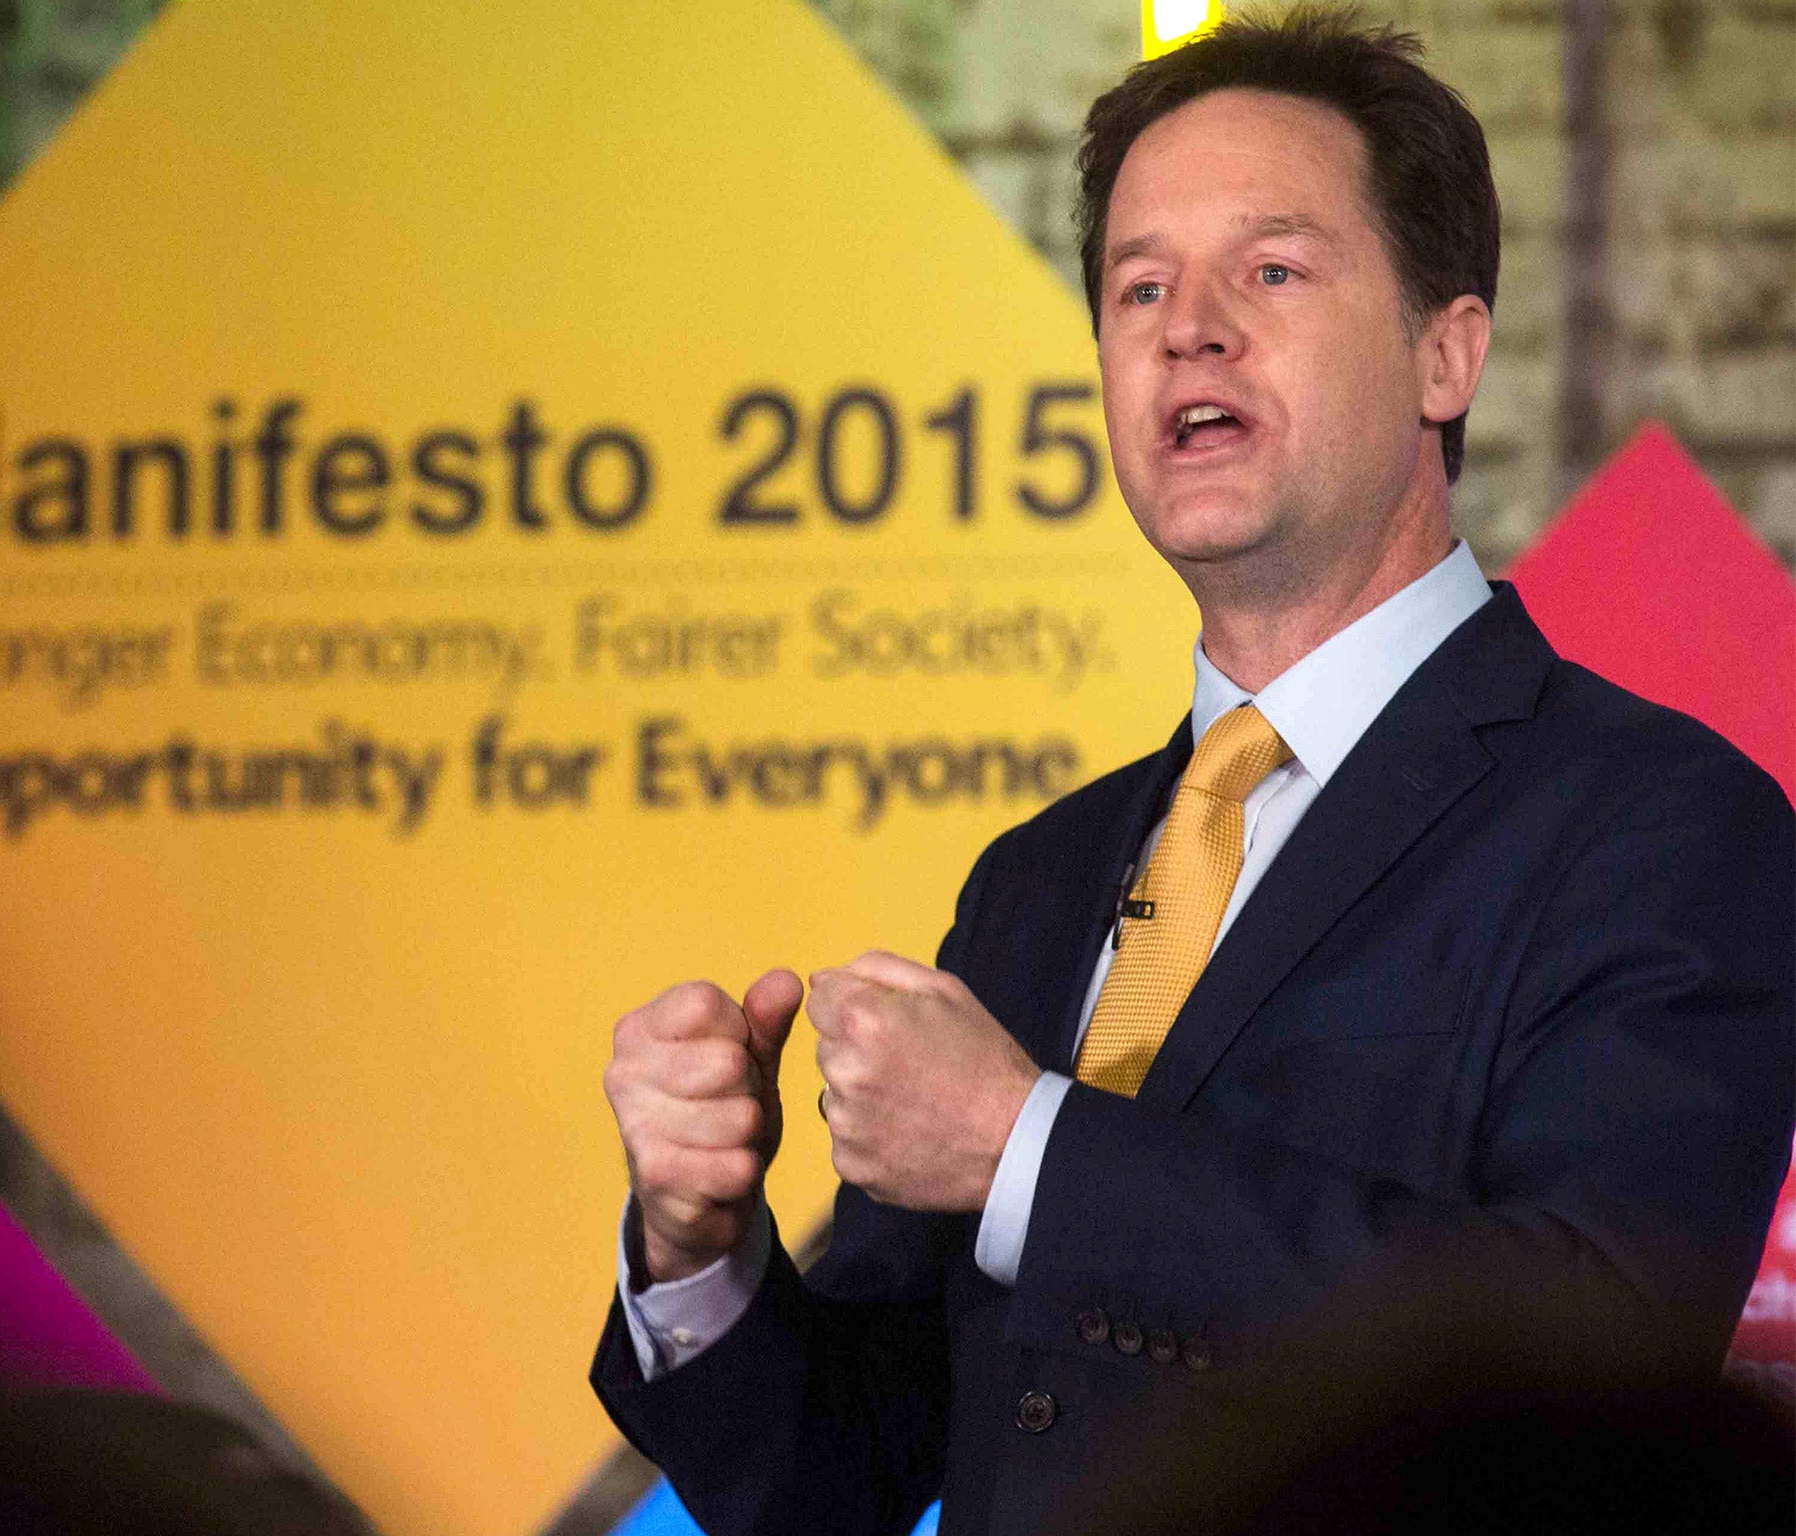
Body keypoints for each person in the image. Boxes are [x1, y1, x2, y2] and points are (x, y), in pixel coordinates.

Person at [590, 10, 1796, 1534]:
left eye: (1271, 272)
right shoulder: (1040, 879)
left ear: (1448, 351)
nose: (1188, 328)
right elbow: (850, 1473)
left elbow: (1598, 1361)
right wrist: (698, 1251)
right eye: (1139, 284)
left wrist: (1030, 1149)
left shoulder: (1661, 824)